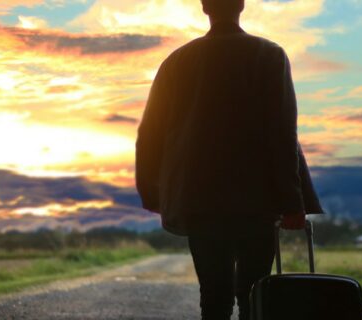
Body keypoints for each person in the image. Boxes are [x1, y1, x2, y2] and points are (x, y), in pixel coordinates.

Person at [134, 0, 323, 318]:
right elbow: (282, 134)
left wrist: (153, 193)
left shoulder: (177, 61)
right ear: (242, 5)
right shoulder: (268, 55)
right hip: (257, 199)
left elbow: (149, 134)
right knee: (256, 294)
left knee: (213, 295)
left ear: (205, 7)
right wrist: (293, 203)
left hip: (198, 198)